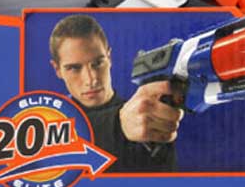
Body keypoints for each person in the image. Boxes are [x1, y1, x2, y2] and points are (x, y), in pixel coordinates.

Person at [49, 14, 182, 172]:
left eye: (98, 63)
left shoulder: (146, 120)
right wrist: (117, 126)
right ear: (57, 69)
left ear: (109, 58)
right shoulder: (46, 124)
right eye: (74, 68)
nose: (91, 79)